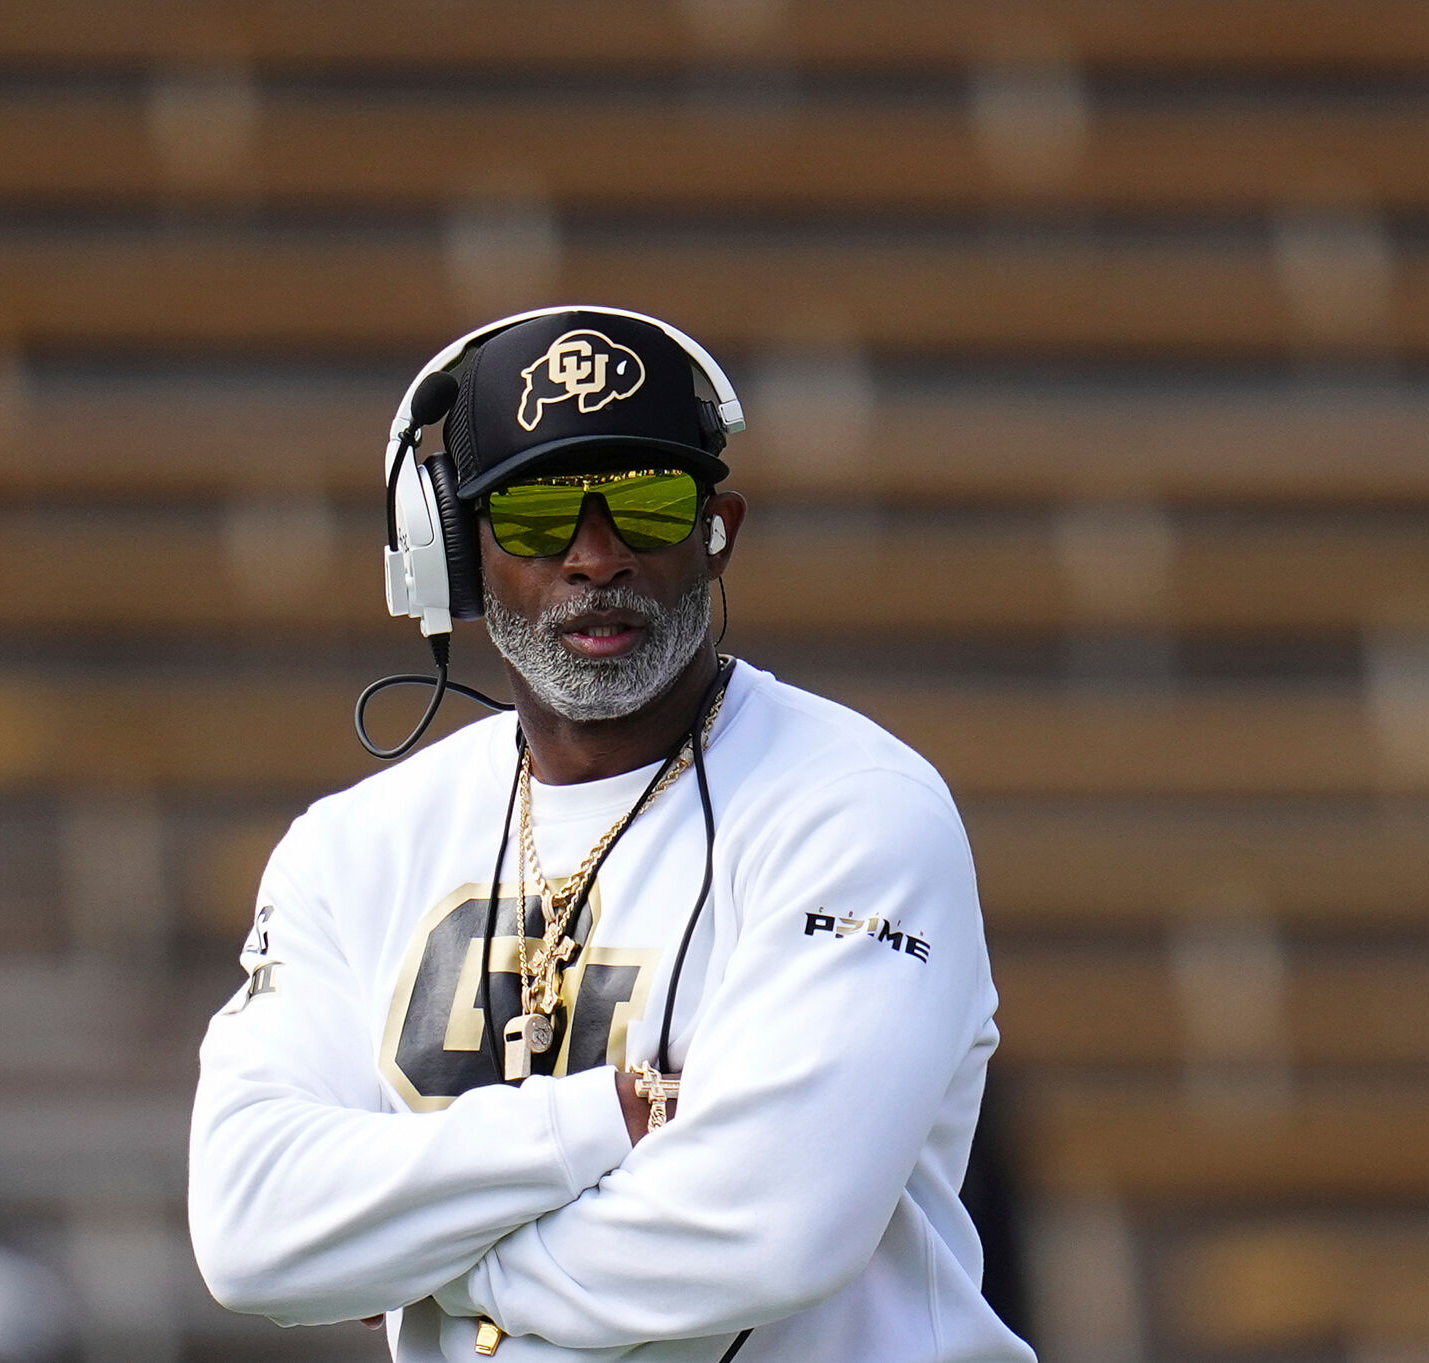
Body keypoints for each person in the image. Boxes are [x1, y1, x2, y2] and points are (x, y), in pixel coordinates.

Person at [188, 307, 1034, 1363]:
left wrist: (420, 1260)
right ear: (450, 552)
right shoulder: (348, 848)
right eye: (540, 516)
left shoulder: (856, 809)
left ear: (717, 529)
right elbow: (249, 1228)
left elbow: (765, 1235)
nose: (596, 558)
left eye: (644, 503)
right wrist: (597, 1124)